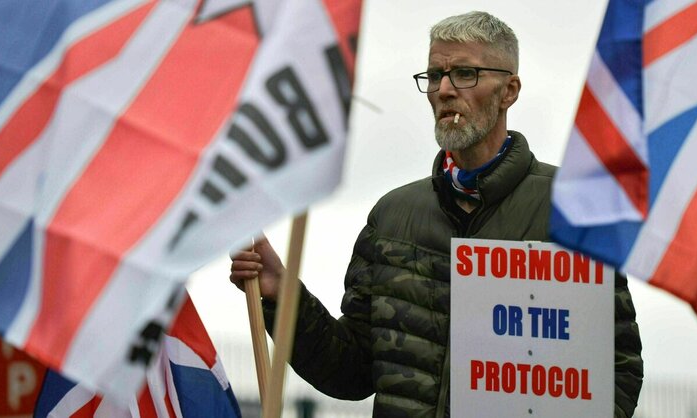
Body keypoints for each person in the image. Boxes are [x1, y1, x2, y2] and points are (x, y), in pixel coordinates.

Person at [230, 11, 643, 417]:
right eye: (434, 75)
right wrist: (280, 292)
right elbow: (351, 373)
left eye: (465, 73)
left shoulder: (571, 210)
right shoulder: (392, 219)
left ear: (509, 91)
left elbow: (618, 374)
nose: (445, 89)